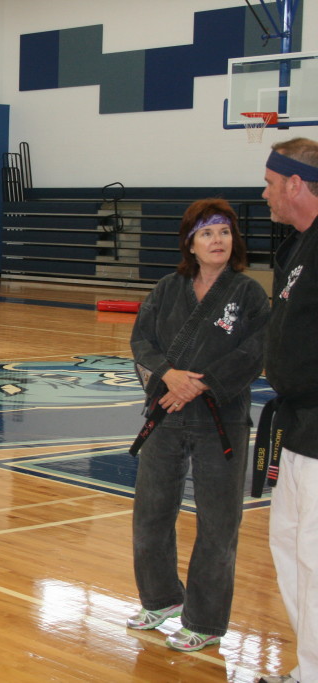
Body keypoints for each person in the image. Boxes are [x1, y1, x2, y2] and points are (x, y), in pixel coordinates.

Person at [126, 198, 269, 652]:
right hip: (166, 411)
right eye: (207, 233)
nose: (217, 241)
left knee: (217, 523)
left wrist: (201, 384)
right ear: (190, 242)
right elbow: (140, 340)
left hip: (219, 417)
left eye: (224, 232)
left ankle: (205, 622)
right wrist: (168, 374)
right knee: (151, 511)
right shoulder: (168, 288)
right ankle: (161, 598)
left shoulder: (248, 295)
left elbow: (255, 351)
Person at [254, 137, 318, 683]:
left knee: (315, 555)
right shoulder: (298, 246)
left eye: (271, 184)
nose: (265, 193)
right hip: (297, 426)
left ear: (296, 183)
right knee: (290, 549)